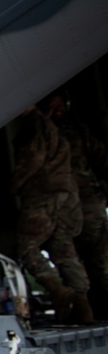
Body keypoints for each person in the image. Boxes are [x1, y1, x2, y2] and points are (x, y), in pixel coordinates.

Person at [10, 101, 93, 323]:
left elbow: (33, 158)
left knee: (27, 246)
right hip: (66, 194)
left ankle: (58, 291)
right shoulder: (54, 129)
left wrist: (15, 185)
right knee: (63, 248)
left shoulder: (34, 125)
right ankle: (82, 305)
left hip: (42, 192)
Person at [46, 91, 108, 320]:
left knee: (99, 262)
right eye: (53, 105)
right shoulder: (41, 135)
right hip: (59, 208)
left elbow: (101, 159)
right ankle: (86, 312)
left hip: (88, 203)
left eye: (60, 104)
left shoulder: (79, 131)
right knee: (70, 262)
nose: (58, 109)